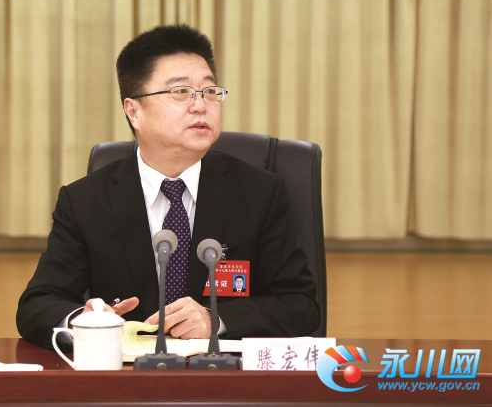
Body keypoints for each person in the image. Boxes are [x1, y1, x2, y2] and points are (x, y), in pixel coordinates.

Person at [17, 24, 319, 349]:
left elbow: (300, 304)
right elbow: (37, 304)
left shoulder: (260, 193)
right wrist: (83, 319)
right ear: (134, 111)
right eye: (181, 92)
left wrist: (216, 320)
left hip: (222, 371)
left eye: (209, 91)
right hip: (127, 373)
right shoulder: (85, 201)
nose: (201, 105)